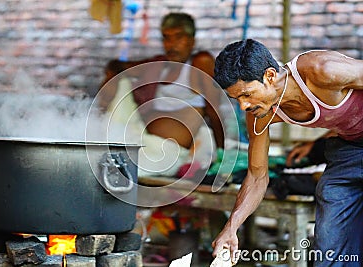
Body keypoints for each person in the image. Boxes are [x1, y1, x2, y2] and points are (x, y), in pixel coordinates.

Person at [212, 38, 363, 266]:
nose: (243, 106)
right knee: (330, 241)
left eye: (246, 94)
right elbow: (256, 175)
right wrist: (231, 227)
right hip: (349, 149)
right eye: (237, 99)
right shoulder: (258, 113)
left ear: (270, 76)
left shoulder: (322, 70)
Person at [98, 12, 225, 177]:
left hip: (167, 152)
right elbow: (119, 66)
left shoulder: (200, 63)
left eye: (178, 37)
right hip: (140, 140)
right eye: (166, 38)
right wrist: (112, 73)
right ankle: (99, 128)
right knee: (120, 80)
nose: (171, 44)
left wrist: (223, 155)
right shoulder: (160, 65)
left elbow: (214, 111)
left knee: (117, 171)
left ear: (191, 40)